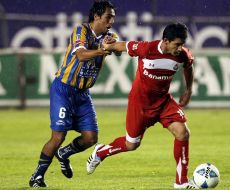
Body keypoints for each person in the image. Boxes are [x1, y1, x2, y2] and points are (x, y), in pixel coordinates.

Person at [86, 23, 198, 189]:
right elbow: (122, 46)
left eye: (182, 44)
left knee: (182, 133)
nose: (180, 48)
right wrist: (108, 44)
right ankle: (101, 152)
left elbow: (188, 67)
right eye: (177, 44)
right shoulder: (146, 49)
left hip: (163, 102)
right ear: (166, 41)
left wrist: (188, 89)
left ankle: (181, 181)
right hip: (140, 104)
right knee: (132, 145)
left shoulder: (182, 55)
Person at [29, 0, 118, 188]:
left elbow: (115, 50)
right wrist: (102, 51)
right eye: (108, 17)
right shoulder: (81, 31)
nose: (111, 22)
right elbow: (81, 55)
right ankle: (37, 176)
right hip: (63, 89)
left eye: (113, 18)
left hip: (83, 94)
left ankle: (64, 154)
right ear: (96, 16)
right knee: (58, 136)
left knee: (91, 138)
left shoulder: (109, 36)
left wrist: (115, 47)